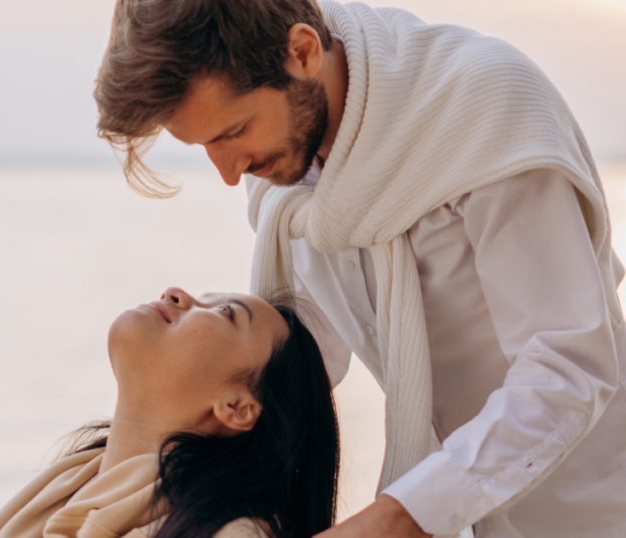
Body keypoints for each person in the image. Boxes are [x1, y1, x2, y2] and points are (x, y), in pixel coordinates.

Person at [92, 1, 626, 537]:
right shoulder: (283, 158)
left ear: (302, 53)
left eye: (232, 132)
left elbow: (569, 365)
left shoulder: (483, 109)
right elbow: (300, 358)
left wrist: (398, 517)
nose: (231, 174)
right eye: (205, 144)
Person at [0, 288, 340, 538]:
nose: (176, 293)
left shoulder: (233, 532)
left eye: (225, 313)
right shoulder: (67, 487)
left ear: (236, 407)